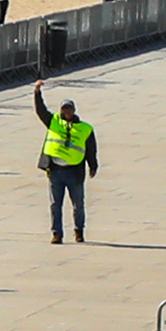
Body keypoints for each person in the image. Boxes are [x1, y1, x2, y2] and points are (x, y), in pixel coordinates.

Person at [35, 96, 96, 244]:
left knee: (78, 204)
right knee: (55, 204)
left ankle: (78, 231)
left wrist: (93, 165)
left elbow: (91, 149)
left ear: (74, 110)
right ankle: (57, 233)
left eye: (69, 109)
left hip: (74, 172)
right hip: (55, 171)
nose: (66, 111)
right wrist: (37, 92)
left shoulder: (85, 129)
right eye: (64, 109)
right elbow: (41, 110)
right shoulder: (54, 122)